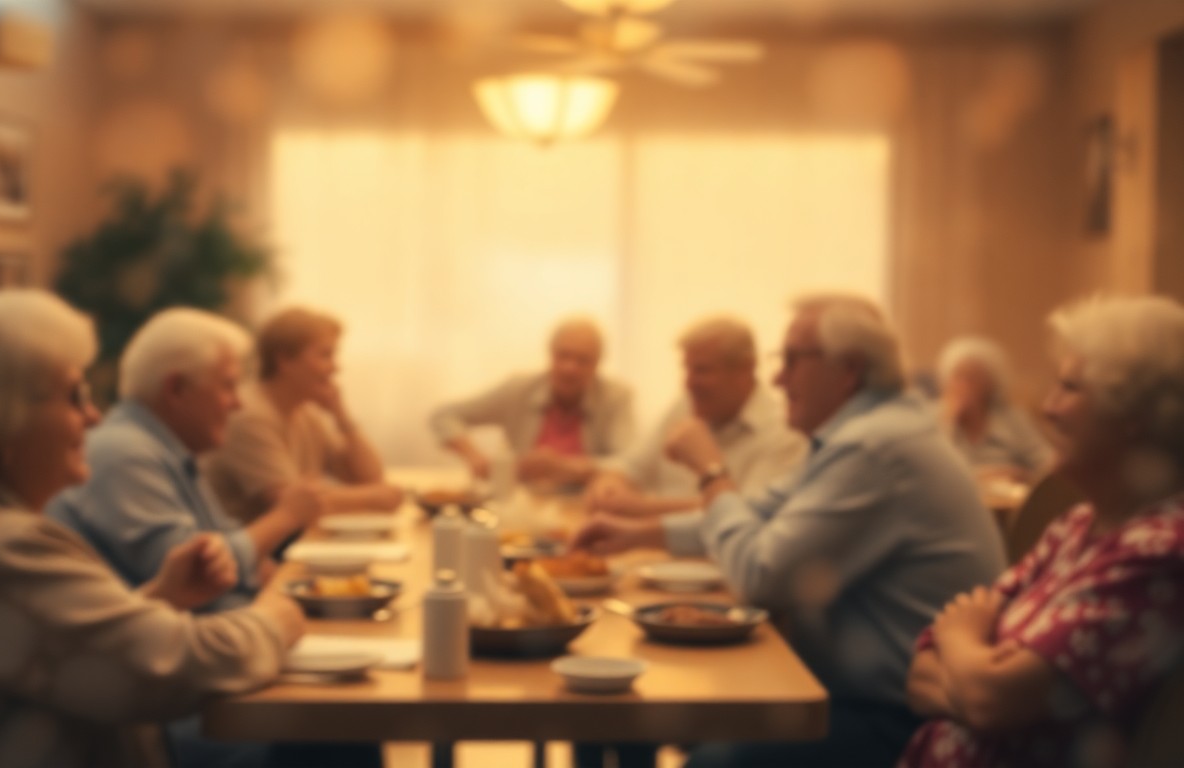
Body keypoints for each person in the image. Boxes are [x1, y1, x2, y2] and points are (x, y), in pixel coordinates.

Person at [0, 290, 306, 768]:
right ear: (1, 422)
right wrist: (279, 618)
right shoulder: (1, 549)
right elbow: (175, 670)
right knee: (321, 743)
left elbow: (52, 649)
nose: (94, 417)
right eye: (75, 395)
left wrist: (163, 596)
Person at [574, 294, 1006, 768]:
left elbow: (760, 573)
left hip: (897, 716)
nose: (777, 378)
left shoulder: (877, 447)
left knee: (695, 753)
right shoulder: (865, 433)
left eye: (793, 360)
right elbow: (755, 513)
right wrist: (634, 534)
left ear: (849, 369)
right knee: (625, 711)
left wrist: (710, 469)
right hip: (844, 689)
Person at [900, 296, 1184, 768]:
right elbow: (918, 678)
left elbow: (990, 698)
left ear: (1135, 412)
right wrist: (975, 673)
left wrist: (961, 641)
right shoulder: (1075, 526)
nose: (1048, 408)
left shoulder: (1161, 549)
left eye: (1069, 388)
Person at [48, 308, 322, 612]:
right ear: (176, 389)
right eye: (227, 386)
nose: (238, 403)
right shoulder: (124, 453)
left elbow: (230, 544)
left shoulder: (167, 447)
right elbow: (198, 579)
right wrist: (286, 515)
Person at [584, 316, 806, 517]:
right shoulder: (686, 405)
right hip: (652, 554)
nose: (688, 383)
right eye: (687, 369)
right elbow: (633, 466)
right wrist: (610, 485)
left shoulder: (785, 432)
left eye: (702, 371)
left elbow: (748, 514)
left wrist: (642, 507)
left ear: (745, 370)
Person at [207, 306, 405, 523]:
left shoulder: (305, 411)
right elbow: (290, 503)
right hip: (258, 551)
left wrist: (341, 416)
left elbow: (368, 477)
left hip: (292, 542)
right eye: (325, 355)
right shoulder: (248, 414)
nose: (335, 367)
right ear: (284, 360)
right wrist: (373, 498)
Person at [430, 316, 635, 487]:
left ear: (598, 362)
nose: (569, 368)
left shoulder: (616, 398)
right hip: (522, 507)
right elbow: (443, 415)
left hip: (588, 508)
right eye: (563, 355)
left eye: (583, 360)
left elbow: (630, 463)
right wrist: (474, 456)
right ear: (550, 353)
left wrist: (568, 467)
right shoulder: (518, 390)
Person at [937, 335, 1054, 481]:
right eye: (958, 377)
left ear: (991, 384)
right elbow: (933, 471)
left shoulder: (1013, 419)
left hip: (1009, 500)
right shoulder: (936, 418)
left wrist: (1025, 475)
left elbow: (1047, 462)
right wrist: (948, 421)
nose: (964, 385)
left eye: (973, 377)